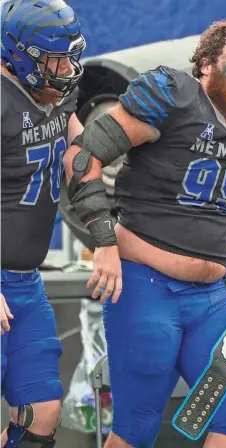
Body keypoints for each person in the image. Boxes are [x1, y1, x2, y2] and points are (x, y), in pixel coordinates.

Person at [63, 19, 226, 448]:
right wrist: (103, 240)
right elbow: (83, 158)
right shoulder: (171, 96)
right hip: (145, 285)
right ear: (205, 65)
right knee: (138, 423)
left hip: (212, 296)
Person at [0, 0, 86, 446]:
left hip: (26, 283)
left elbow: (79, 150)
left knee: (41, 413)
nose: (67, 67)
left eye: (71, 54)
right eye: (56, 58)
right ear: (19, 55)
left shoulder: (58, 94)